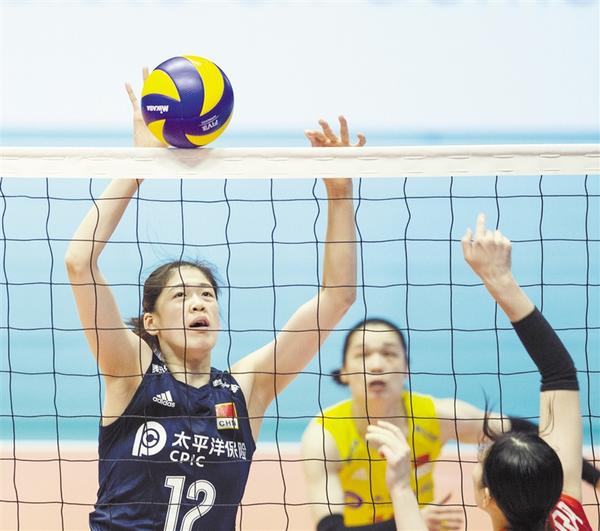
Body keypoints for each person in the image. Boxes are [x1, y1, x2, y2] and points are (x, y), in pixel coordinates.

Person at [65, 70, 363, 531]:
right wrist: (137, 166)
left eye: (207, 294)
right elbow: (79, 262)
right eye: (181, 295)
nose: (199, 303)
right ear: (151, 322)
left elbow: (338, 297)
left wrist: (340, 194)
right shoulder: (131, 372)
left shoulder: (246, 389)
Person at [302, 233, 598, 531]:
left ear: (406, 369)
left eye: (389, 353)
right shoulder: (325, 436)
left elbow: (549, 386)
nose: (377, 365)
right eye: (363, 354)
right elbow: (555, 379)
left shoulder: (436, 415)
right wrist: (595, 477)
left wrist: (406, 505)